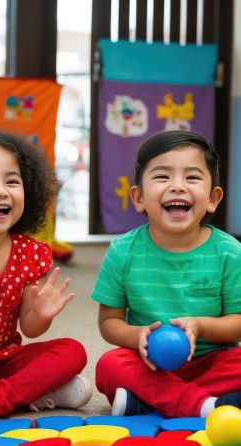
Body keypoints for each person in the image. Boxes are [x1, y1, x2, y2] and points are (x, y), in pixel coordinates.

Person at [0, 124, 92, 426]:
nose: (1, 191)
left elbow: (31, 328)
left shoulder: (30, 252)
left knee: (73, 351)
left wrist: (42, 313)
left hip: (6, 361)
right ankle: (28, 395)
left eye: (12, 181)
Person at [92, 130, 241, 418]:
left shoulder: (229, 252)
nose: (178, 186)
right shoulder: (123, 251)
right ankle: (206, 405)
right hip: (150, 366)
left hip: (211, 361)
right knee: (110, 365)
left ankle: (150, 402)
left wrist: (200, 325)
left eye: (192, 177)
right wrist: (139, 336)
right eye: (162, 177)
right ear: (138, 198)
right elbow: (109, 322)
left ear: (212, 198)